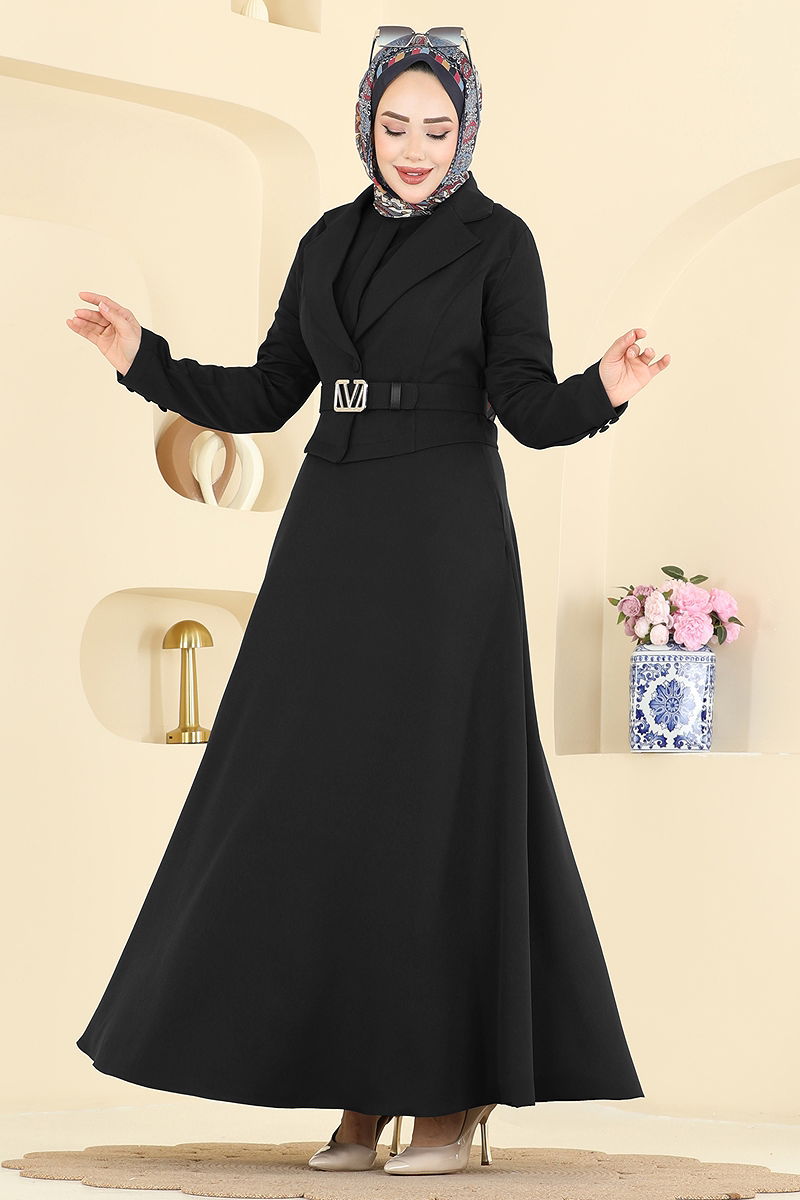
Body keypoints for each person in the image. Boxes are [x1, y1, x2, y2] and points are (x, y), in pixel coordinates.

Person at [66, 28, 667, 1179]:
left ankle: (446, 1095)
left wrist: (604, 388)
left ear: (466, 130)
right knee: (325, 806)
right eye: (394, 126)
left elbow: (526, 408)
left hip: (443, 542)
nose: (414, 149)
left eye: (436, 129)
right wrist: (144, 359)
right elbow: (266, 394)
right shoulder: (327, 240)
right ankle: (360, 1087)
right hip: (332, 534)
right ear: (365, 125)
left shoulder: (499, 242)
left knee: (434, 808)